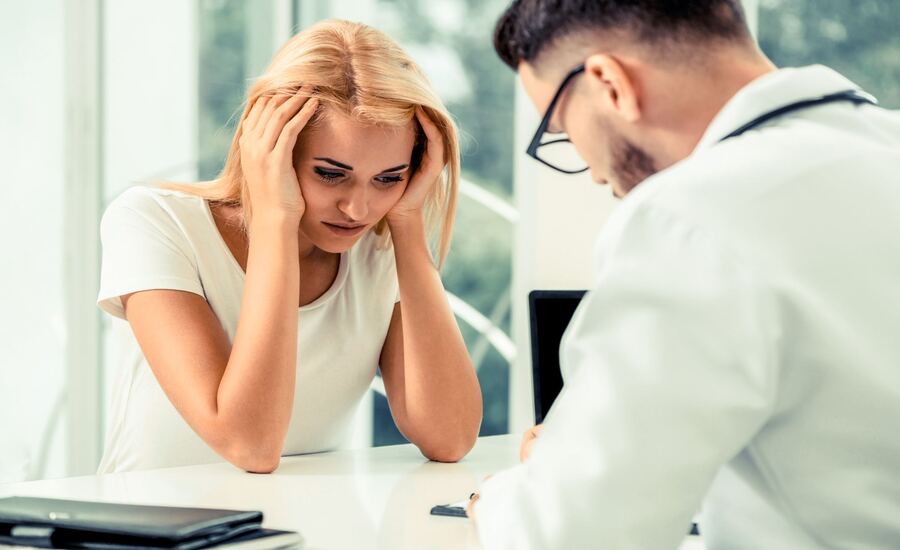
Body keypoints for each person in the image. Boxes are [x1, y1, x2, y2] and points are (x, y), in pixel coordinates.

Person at [470, 1, 900, 548]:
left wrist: (514, 495)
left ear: (609, 83)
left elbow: (573, 533)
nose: (589, 168)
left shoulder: (689, 217)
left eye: (560, 127)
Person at [96, 19, 482, 474]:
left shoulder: (379, 251)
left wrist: (409, 223)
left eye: (388, 178)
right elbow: (250, 445)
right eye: (330, 173)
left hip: (304, 530)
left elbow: (450, 436)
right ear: (271, 147)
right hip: (150, 535)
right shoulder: (153, 221)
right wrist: (277, 217)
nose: (358, 208)